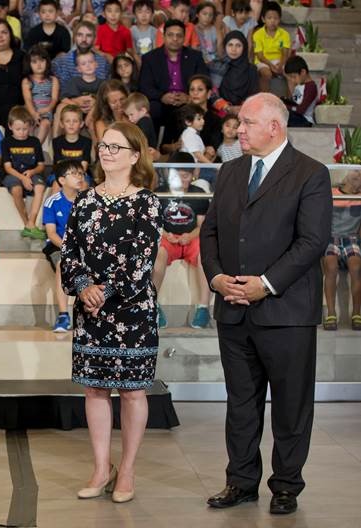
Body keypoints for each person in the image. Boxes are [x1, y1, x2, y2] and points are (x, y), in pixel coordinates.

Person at [200, 93, 333, 515]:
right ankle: (240, 481)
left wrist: (266, 284)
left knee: (291, 404)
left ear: (274, 127)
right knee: (241, 402)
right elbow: (210, 233)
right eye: (240, 122)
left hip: (286, 311)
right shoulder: (230, 172)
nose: (239, 129)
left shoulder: (311, 174)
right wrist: (218, 277)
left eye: (247, 122)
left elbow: (312, 241)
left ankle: (287, 485)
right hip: (234, 310)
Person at [61, 121, 161, 505]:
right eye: (103, 146)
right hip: (91, 310)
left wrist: (106, 291)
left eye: (115, 147)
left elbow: (142, 260)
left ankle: (129, 469)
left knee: (134, 392)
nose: (106, 152)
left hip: (133, 310)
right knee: (95, 389)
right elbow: (69, 252)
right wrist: (84, 286)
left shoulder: (147, 202)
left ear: (135, 156)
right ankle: (102, 467)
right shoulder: (84, 200)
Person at [152, 152, 212, 328]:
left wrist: (190, 236)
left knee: (205, 254)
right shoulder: (159, 193)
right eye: (177, 175)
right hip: (168, 237)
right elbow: (154, 224)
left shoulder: (198, 193)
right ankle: (152, 305)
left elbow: (202, 226)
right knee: (158, 254)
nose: (181, 179)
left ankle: (203, 307)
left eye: (185, 175)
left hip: (190, 238)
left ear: (193, 175)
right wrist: (166, 235)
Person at [139, 19, 209, 146]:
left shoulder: (195, 57)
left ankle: (188, 152)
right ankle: (152, 151)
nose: (175, 39)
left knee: (192, 111)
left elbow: (204, 81)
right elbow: (144, 86)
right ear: (164, 36)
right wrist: (162, 96)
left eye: (179, 35)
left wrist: (189, 97)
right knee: (152, 110)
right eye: (170, 35)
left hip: (186, 101)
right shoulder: (150, 58)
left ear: (184, 38)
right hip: (160, 102)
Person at [43, 159, 85, 332]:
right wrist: (69, 249)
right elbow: (51, 234)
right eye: (74, 173)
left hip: (82, 246)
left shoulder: (88, 201)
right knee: (63, 264)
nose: (79, 177)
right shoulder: (52, 202)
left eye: (81, 173)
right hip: (58, 245)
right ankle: (63, 316)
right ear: (61, 180)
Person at [322, 170, 361, 331]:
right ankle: (331, 313)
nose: (358, 178)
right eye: (356, 176)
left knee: (356, 268)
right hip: (332, 238)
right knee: (331, 267)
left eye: (359, 178)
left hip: (351, 239)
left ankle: (357, 313)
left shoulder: (359, 197)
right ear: (346, 179)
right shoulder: (332, 194)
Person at [2, 106, 47, 239]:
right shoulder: (7, 142)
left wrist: (32, 173)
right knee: (16, 190)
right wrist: (23, 178)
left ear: (31, 127)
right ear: (10, 126)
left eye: (25, 129)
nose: (22, 132)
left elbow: (41, 165)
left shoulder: (34, 142)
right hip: (14, 175)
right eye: (18, 129)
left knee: (40, 186)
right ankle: (27, 224)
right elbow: (7, 167)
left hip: (31, 173)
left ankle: (31, 222)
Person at [52, 21, 110, 89]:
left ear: (95, 39)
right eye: (80, 35)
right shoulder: (62, 61)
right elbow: (62, 91)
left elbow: (105, 90)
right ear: (74, 37)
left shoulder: (103, 62)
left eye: (88, 35)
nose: (84, 39)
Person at [22, 44, 59, 145]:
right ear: (29, 64)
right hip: (31, 109)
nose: (39, 65)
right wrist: (34, 113)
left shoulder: (53, 80)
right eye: (34, 62)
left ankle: (35, 147)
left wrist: (47, 109)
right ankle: (25, 146)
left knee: (45, 123)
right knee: (26, 123)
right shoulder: (27, 81)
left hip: (46, 109)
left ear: (47, 62)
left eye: (42, 61)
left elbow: (54, 99)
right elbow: (28, 100)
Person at [214, 31, 258, 117]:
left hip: (245, 112)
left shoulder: (251, 69)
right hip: (221, 112)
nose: (233, 49)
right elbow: (212, 94)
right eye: (230, 45)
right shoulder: (217, 67)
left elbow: (253, 94)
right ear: (225, 47)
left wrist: (242, 108)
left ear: (244, 48)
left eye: (238, 45)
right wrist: (227, 107)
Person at [252, 2, 290, 93]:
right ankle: (266, 98)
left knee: (290, 73)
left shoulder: (284, 34)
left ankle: (290, 100)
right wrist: (271, 66)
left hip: (279, 60)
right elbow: (260, 56)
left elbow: (285, 53)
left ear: (279, 19)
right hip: (263, 61)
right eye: (269, 18)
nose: (272, 21)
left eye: (275, 18)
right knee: (266, 74)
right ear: (263, 19)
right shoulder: (258, 34)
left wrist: (280, 65)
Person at [122, 92, 159, 160]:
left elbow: (140, 138)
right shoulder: (146, 121)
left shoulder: (144, 121)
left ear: (143, 110)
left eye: (131, 114)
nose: (130, 119)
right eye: (128, 116)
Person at [283, 56, 318, 128]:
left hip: (305, 120)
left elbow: (301, 110)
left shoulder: (311, 87)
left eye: (294, 77)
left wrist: (285, 106)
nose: (292, 80)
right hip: (296, 116)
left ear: (303, 72)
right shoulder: (299, 85)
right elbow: (294, 103)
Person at [130, 0, 156, 66]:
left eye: (147, 12)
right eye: (140, 12)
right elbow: (134, 53)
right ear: (134, 14)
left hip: (151, 61)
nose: (144, 15)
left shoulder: (154, 31)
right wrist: (140, 63)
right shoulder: (131, 31)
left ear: (152, 14)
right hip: (136, 61)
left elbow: (155, 51)